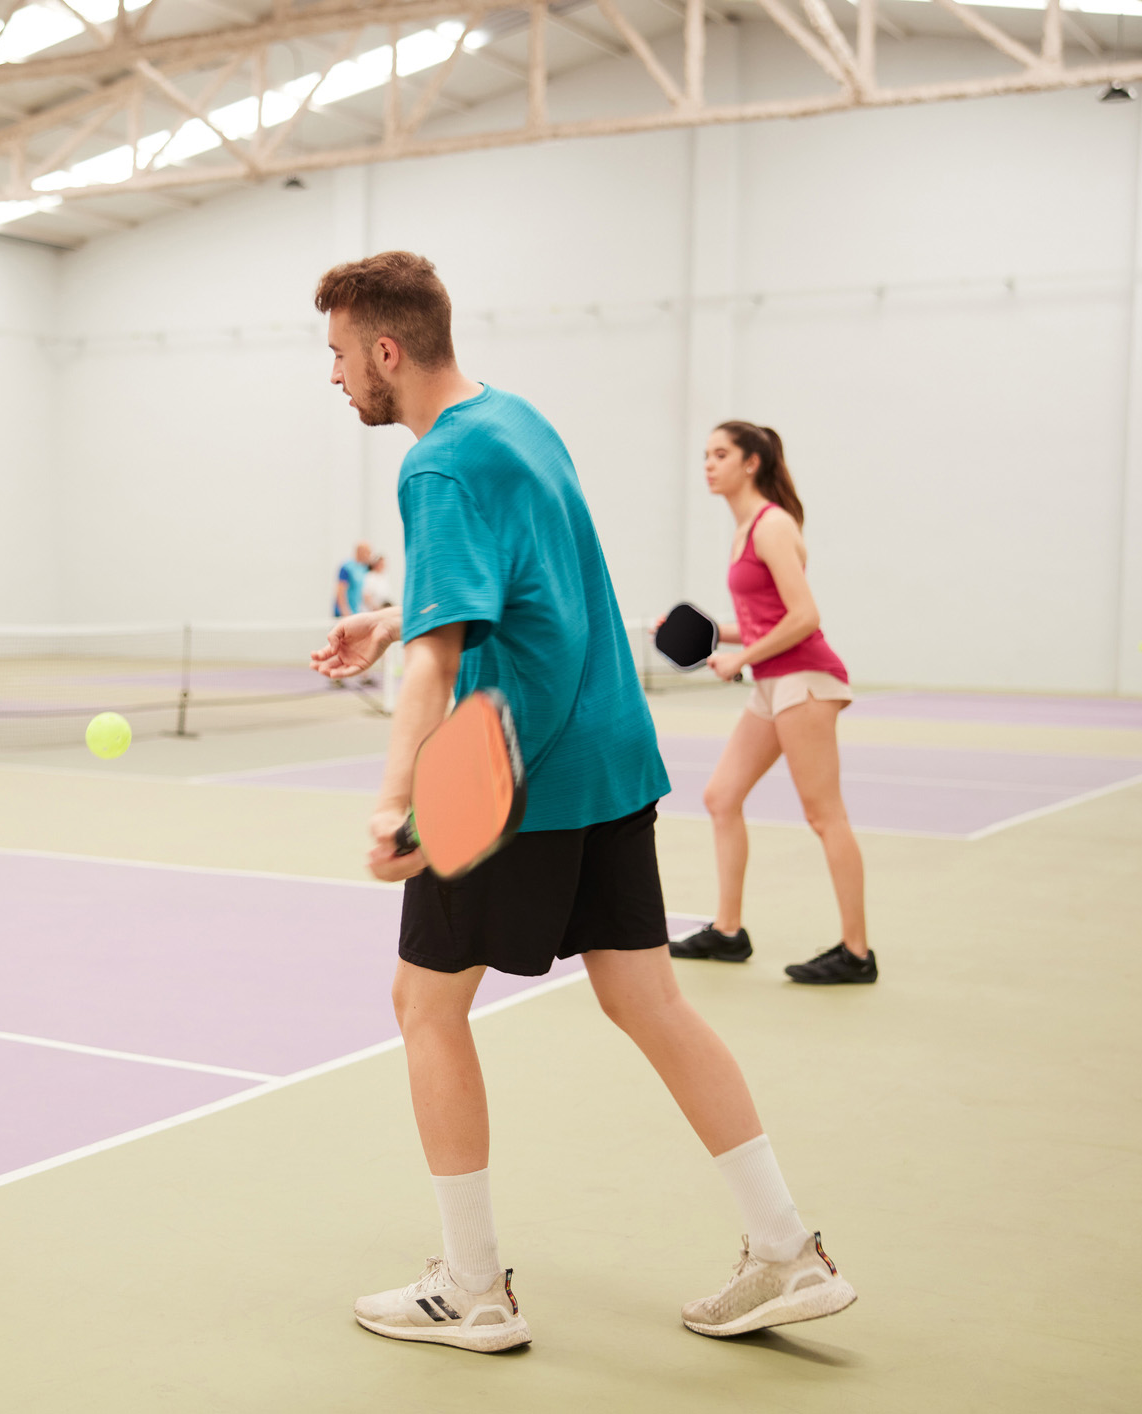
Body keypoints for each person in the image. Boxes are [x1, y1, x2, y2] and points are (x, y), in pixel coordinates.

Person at [308, 252, 855, 1355]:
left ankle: (470, 1288)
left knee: (426, 1010)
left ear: (383, 349)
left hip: (518, 775)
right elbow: (519, 581)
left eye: (334, 357)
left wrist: (391, 798)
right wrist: (388, 616)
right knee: (648, 1000)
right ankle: (785, 1250)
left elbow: (439, 662)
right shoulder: (510, 420)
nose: (332, 381)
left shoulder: (433, 470)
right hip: (610, 755)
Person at [668, 423, 876, 987]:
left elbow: (805, 616)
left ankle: (857, 953)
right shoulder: (742, 532)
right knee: (721, 796)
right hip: (773, 680)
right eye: (706, 454)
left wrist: (741, 659)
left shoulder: (772, 525)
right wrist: (715, 635)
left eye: (720, 454)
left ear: (752, 463)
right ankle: (729, 932)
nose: (708, 464)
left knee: (823, 814)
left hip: (805, 678)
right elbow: (766, 619)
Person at [333, 542, 372, 617]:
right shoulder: (347, 567)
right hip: (344, 612)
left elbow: (362, 592)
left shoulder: (363, 569)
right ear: (360, 552)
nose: (369, 556)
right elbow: (340, 591)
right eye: (368, 553)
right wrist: (345, 612)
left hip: (355, 611)